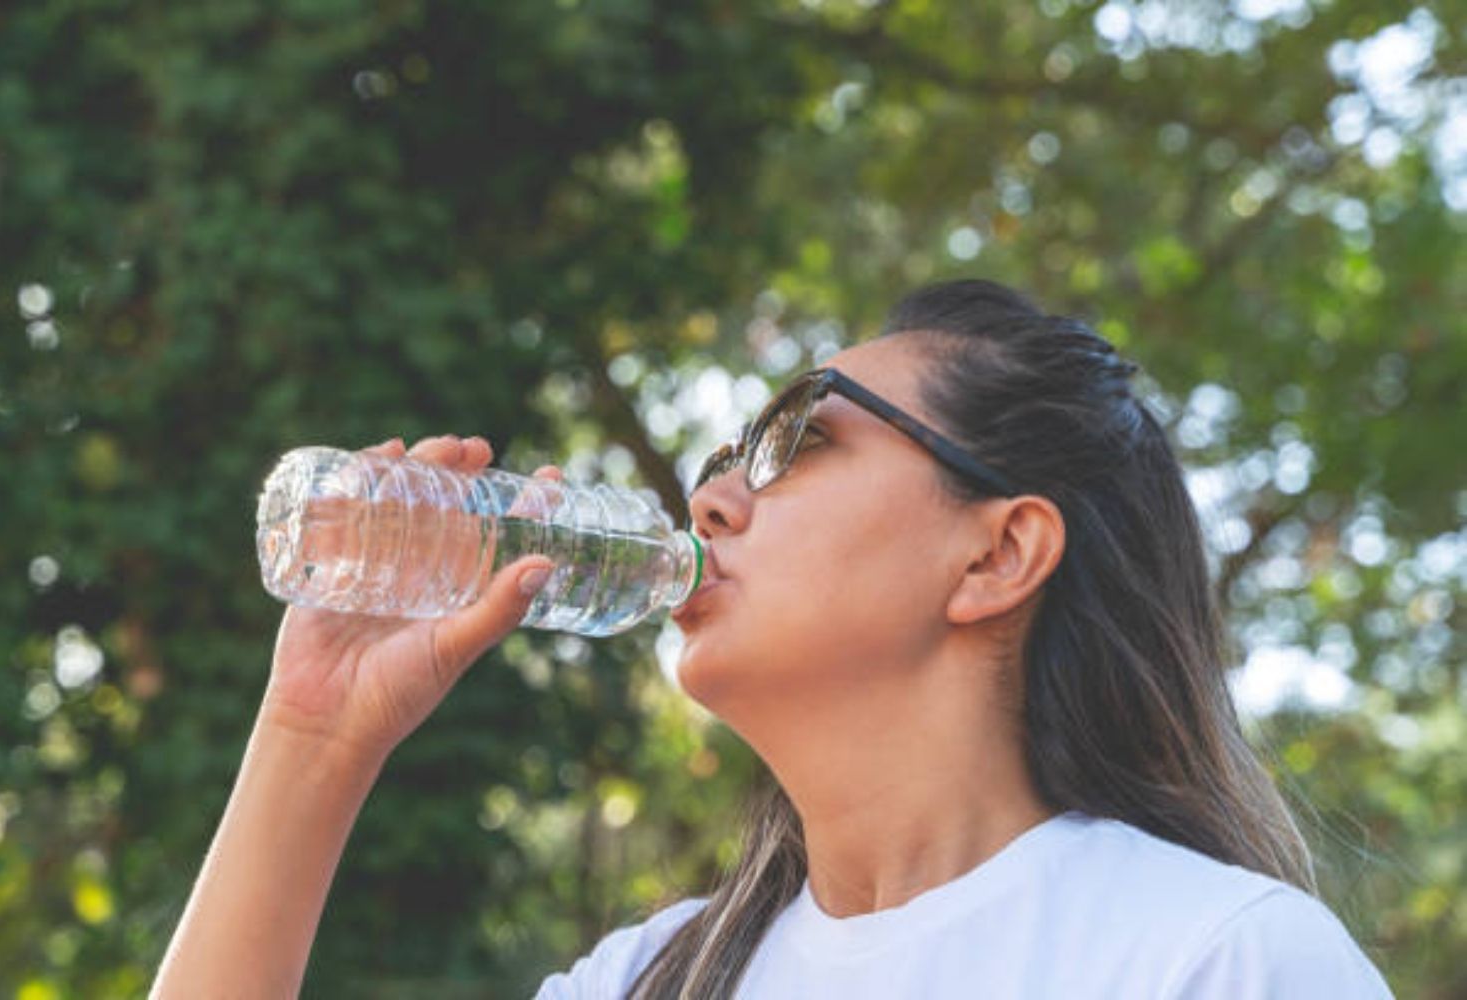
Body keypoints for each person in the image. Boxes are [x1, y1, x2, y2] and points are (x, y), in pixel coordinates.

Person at [153, 279, 1392, 998]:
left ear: (998, 554)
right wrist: (312, 740)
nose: (713, 498)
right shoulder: (654, 978)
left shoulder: (1215, 961)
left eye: (801, 443)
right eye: (727, 456)